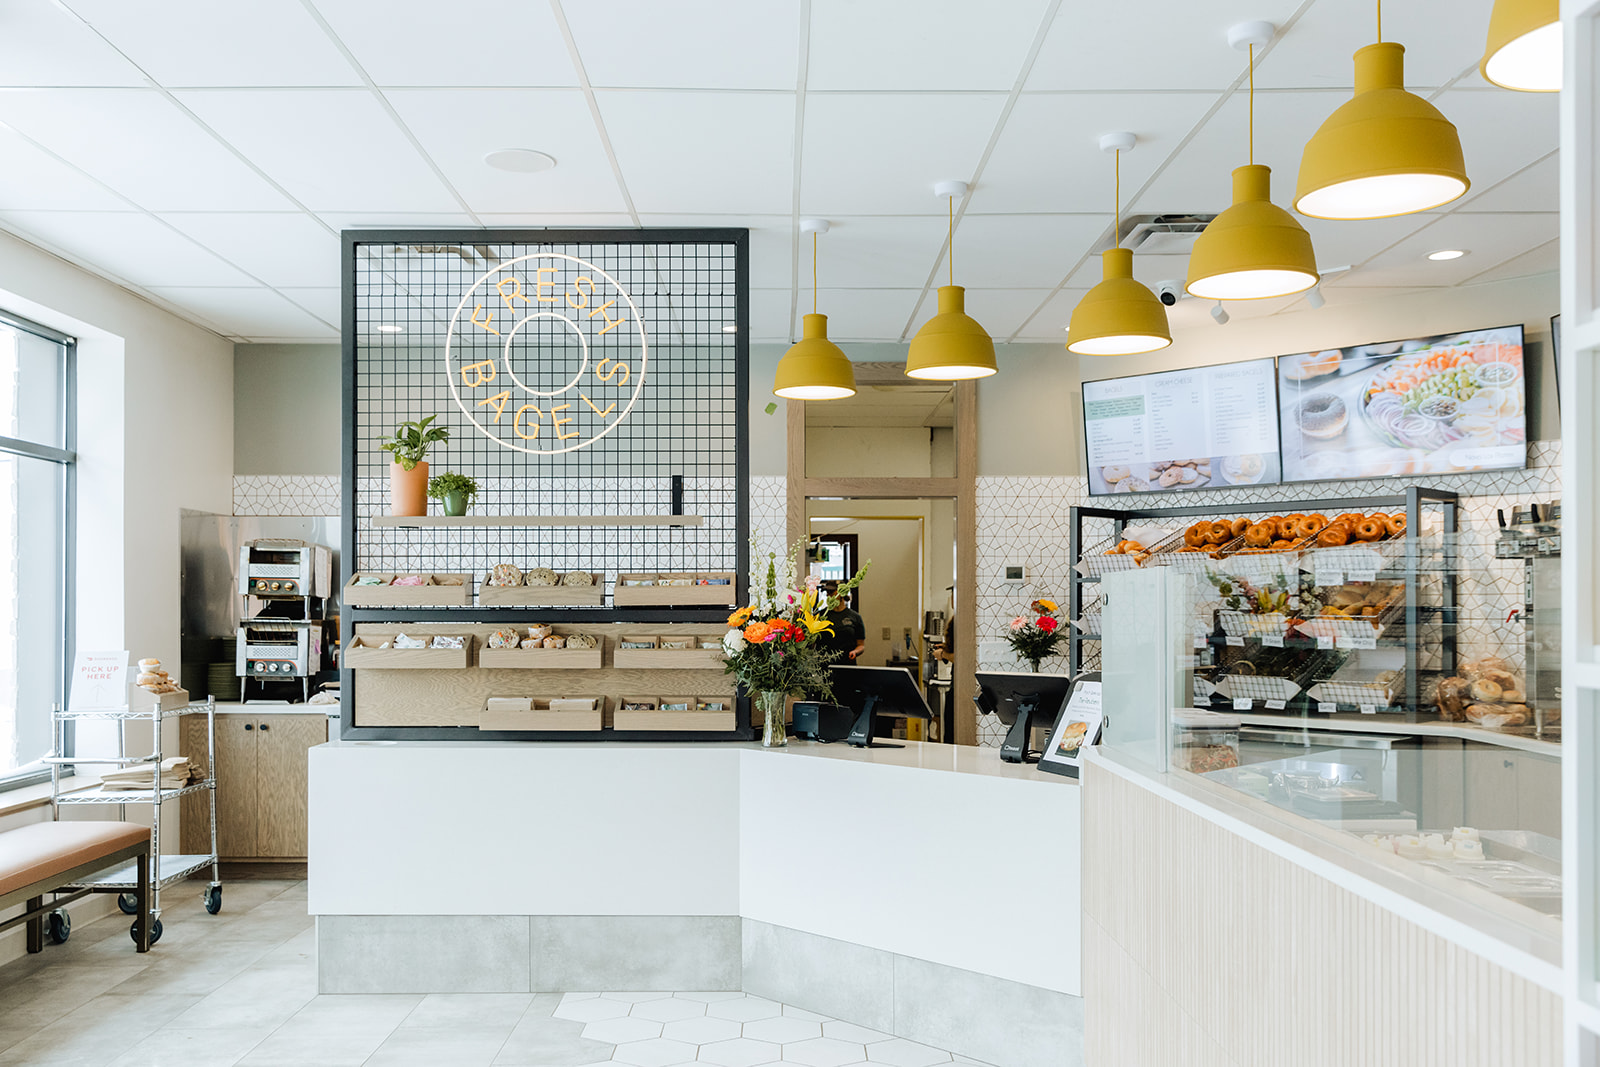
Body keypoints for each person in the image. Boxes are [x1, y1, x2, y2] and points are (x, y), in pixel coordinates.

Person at [816, 580, 866, 664]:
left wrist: (855, 652)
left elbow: (861, 645)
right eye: (827, 592)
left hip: (846, 664)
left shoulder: (855, 617)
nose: (828, 595)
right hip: (824, 665)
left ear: (842, 593)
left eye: (831, 592)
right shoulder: (821, 615)